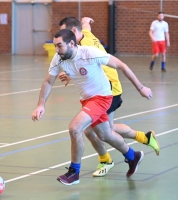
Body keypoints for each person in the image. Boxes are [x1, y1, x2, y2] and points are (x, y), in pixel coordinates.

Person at [32, 29, 153, 186]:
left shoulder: (89, 53)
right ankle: (133, 156)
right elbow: (48, 81)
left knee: (75, 128)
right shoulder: (59, 58)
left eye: (59, 46)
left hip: (102, 97)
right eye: (55, 46)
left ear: (72, 43)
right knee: (105, 135)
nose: (56, 49)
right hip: (86, 100)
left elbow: (121, 65)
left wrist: (141, 88)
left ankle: (74, 172)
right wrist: (41, 104)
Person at [58, 16, 160, 177]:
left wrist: (140, 87)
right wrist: (86, 20)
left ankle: (107, 160)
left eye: (64, 33)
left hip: (108, 88)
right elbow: (86, 27)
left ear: (72, 32)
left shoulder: (85, 47)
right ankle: (144, 139)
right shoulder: (83, 34)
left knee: (93, 131)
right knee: (105, 129)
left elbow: (98, 65)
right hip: (104, 87)